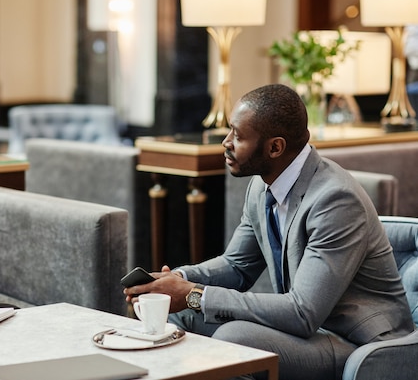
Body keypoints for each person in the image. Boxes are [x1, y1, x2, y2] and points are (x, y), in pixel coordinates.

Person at [124, 84, 414, 380]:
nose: (226, 142)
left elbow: (303, 312)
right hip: (311, 329)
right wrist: (178, 280)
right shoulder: (262, 185)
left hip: (358, 343)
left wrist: (195, 294)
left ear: (275, 147)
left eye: (237, 136)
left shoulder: (335, 200)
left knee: (235, 338)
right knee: (174, 314)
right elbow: (237, 266)